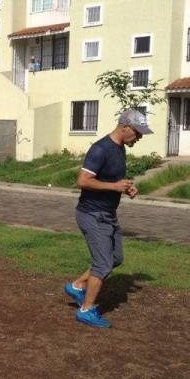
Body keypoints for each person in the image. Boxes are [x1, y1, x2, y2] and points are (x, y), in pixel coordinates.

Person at [64, 109, 151, 328]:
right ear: (125, 127)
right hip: (92, 215)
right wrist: (114, 186)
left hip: (107, 215)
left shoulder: (120, 149)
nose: (139, 137)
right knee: (103, 264)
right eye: (138, 133)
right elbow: (83, 181)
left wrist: (125, 188)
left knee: (115, 258)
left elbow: (113, 178)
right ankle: (87, 310)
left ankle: (76, 286)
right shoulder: (100, 149)